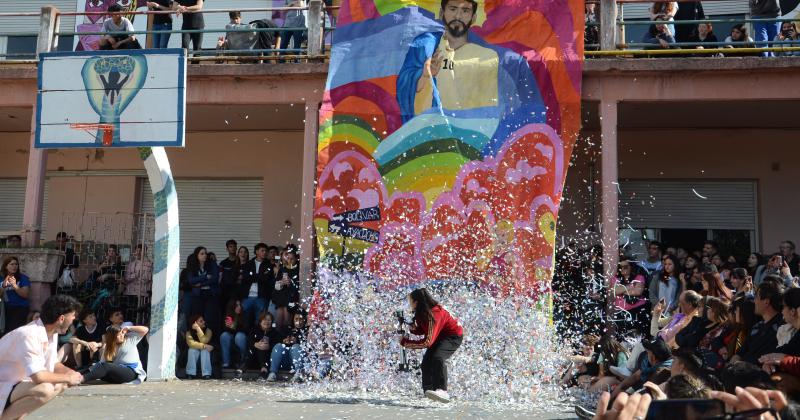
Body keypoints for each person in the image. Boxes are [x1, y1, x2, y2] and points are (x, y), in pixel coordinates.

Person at [0, 295, 83, 420]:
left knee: (60, 384)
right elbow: (38, 376)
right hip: (4, 384)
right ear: (61, 318)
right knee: (45, 389)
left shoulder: (51, 333)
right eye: (73, 316)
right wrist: (68, 377)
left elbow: (53, 363)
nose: (74, 319)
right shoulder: (28, 334)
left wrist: (70, 373)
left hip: (14, 385)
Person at [400, 288, 463, 403]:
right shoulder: (423, 312)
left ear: (416, 302)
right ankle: (428, 392)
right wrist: (413, 329)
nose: (409, 304)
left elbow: (427, 342)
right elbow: (425, 329)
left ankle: (442, 391)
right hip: (440, 336)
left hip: (453, 336)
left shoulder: (435, 314)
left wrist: (406, 343)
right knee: (426, 364)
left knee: (437, 358)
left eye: (410, 302)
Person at [733, 279, 785, 365]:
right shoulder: (757, 326)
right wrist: (734, 360)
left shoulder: (780, 330)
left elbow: (760, 361)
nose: (754, 301)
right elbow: (741, 352)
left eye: (756, 297)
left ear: (766, 302)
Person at [82, 323, 148, 384]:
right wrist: (88, 369)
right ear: (113, 337)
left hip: (132, 372)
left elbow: (145, 330)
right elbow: (101, 363)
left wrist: (128, 328)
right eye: (118, 335)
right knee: (96, 368)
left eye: (122, 333)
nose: (121, 336)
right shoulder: (109, 346)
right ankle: (77, 376)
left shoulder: (130, 338)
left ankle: (81, 379)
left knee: (105, 366)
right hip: (117, 373)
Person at [611, 258, 649, 337]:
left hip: (637, 311)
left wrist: (621, 290)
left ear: (631, 267)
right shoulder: (615, 278)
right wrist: (631, 286)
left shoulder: (639, 277)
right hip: (620, 312)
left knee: (639, 336)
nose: (622, 269)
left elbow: (637, 292)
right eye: (620, 267)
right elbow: (614, 291)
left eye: (625, 267)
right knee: (623, 336)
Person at [187, 246, 220, 335]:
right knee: (197, 317)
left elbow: (215, 279)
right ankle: (197, 338)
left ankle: (209, 339)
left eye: (205, 253)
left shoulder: (212, 264)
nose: (205, 255)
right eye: (202, 253)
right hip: (198, 295)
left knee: (209, 317)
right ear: (197, 256)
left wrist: (201, 284)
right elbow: (191, 280)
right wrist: (204, 277)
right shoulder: (193, 266)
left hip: (210, 294)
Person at [239, 243, 275, 324]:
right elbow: (245, 278)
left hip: (261, 297)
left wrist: (254, 276)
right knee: (245, 321)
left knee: (260, 321)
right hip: (247, 297)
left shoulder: (269, 265)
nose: (264, 252)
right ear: (257, 252)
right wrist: (260, 276)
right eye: (262, 250)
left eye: (266, 251)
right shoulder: (249, 264)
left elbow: (267, 279)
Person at [267, 311, 307, 382]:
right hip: (285, 361)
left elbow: (308, 346)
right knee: (279, 346)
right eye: (296, 319)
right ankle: (272, 373)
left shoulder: (307, 331)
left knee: (296, 346)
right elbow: (275, 341)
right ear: (293, 320)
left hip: (297, 361)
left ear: (304, 320)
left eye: (300, 319)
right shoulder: (287, 329)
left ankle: (298, 373)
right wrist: (284, 341)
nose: (298, 321)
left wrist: (297, 341)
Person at [122, 244, 153, 320]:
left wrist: (134, 277)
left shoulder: (149, 264)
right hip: (130, 292)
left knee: (140, 313)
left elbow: (147, 278)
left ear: (145, 252)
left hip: (142, 292)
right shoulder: (131, 264)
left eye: (140, 250)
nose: (138, 252)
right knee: (129, 312)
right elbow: (126, 278)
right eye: (137, 250)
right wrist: (136, 275)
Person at [273, 249, 300, 332]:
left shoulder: (299, 269)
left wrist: (291, 282)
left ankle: (287, 336)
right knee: (278, 318)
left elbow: (300, 286)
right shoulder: (282, 269)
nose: (290, 261)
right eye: (288, 258)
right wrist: (282, 282)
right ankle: (278, 338)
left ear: (296, 259)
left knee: (287, 315)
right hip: (281, 297)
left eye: (292, 259)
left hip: (293, 298)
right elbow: (276, 286)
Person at [1, 256, 30, 334]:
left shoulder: (22, 278)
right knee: (5, 332)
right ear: (6, 266)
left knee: (15, 332)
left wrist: (15, 286)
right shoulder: (1, 278)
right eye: (12, 264)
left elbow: (25, 294)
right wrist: (3, 286)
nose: (14, 266)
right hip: (5, 309)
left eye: (16, 264)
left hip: (20, 308)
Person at [251, 312, 283, 381]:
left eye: (269, 320)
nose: (267, 322)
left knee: (263, 347)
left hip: (269, 359)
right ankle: (243, 366)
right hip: (255, 358)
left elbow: (278, 345)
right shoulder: (254, 330)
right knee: (259, 346)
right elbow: (249, 341)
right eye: (264, 320)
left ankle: (264, 370)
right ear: (260, 322)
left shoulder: (275, 333)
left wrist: (269, 346)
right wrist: (255, 344)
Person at [220, 300, 248, 373]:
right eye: (236, 306)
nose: (239, 307)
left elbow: (246, 329)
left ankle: (242, 361)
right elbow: (224, 329)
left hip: (242, 337)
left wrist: (234, 327)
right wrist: (229, 327)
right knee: (224, 335)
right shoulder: (228, 316)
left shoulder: (245, 315)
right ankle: (226, 362)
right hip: (232, 336)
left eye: (239, 305)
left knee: (239, 336)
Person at [185, 314, 213, 379]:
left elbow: (204, 340)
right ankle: (190, 373)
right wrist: (204, 346)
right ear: (195, 323)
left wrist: (198, 329)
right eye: (201, 321)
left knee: (205, 350)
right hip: (196, 360)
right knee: (192, 350)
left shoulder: (208, 331)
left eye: (203, 320)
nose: (204, 322)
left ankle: (206, 374)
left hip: (206, 358)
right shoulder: (189, 332)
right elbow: (191, 344)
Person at [218, 240, 240, 314]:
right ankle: (223, 325)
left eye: (234, 246)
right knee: (222, 311)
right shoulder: (223, 263)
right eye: (230, 247)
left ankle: (228, 325)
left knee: (230, 311)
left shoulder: (240, 261)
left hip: (235, 292)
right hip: (223, 291)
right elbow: (220, 278)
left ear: (236, 248)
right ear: (227, 249)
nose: (233, 248)